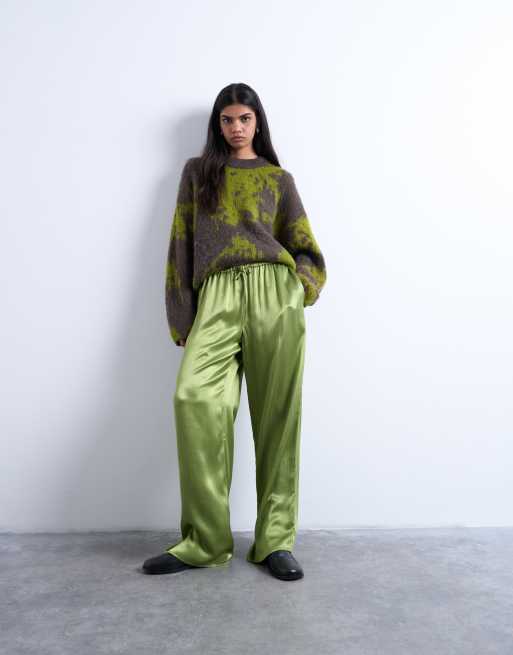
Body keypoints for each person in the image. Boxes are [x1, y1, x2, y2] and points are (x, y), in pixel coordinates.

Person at [142, 82, 327, 581]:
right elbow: (180, 243)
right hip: (217, 295)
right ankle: (205, 541)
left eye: (244, 118)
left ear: (257, 122)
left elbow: (305, 245)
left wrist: (300, 288)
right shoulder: (198, 173)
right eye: (227, 119)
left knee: (278, 418)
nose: (236, 128)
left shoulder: (278, 179)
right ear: (218, 125)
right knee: (193, 398)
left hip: (274, 295)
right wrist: (182, 316)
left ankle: (275, 541)